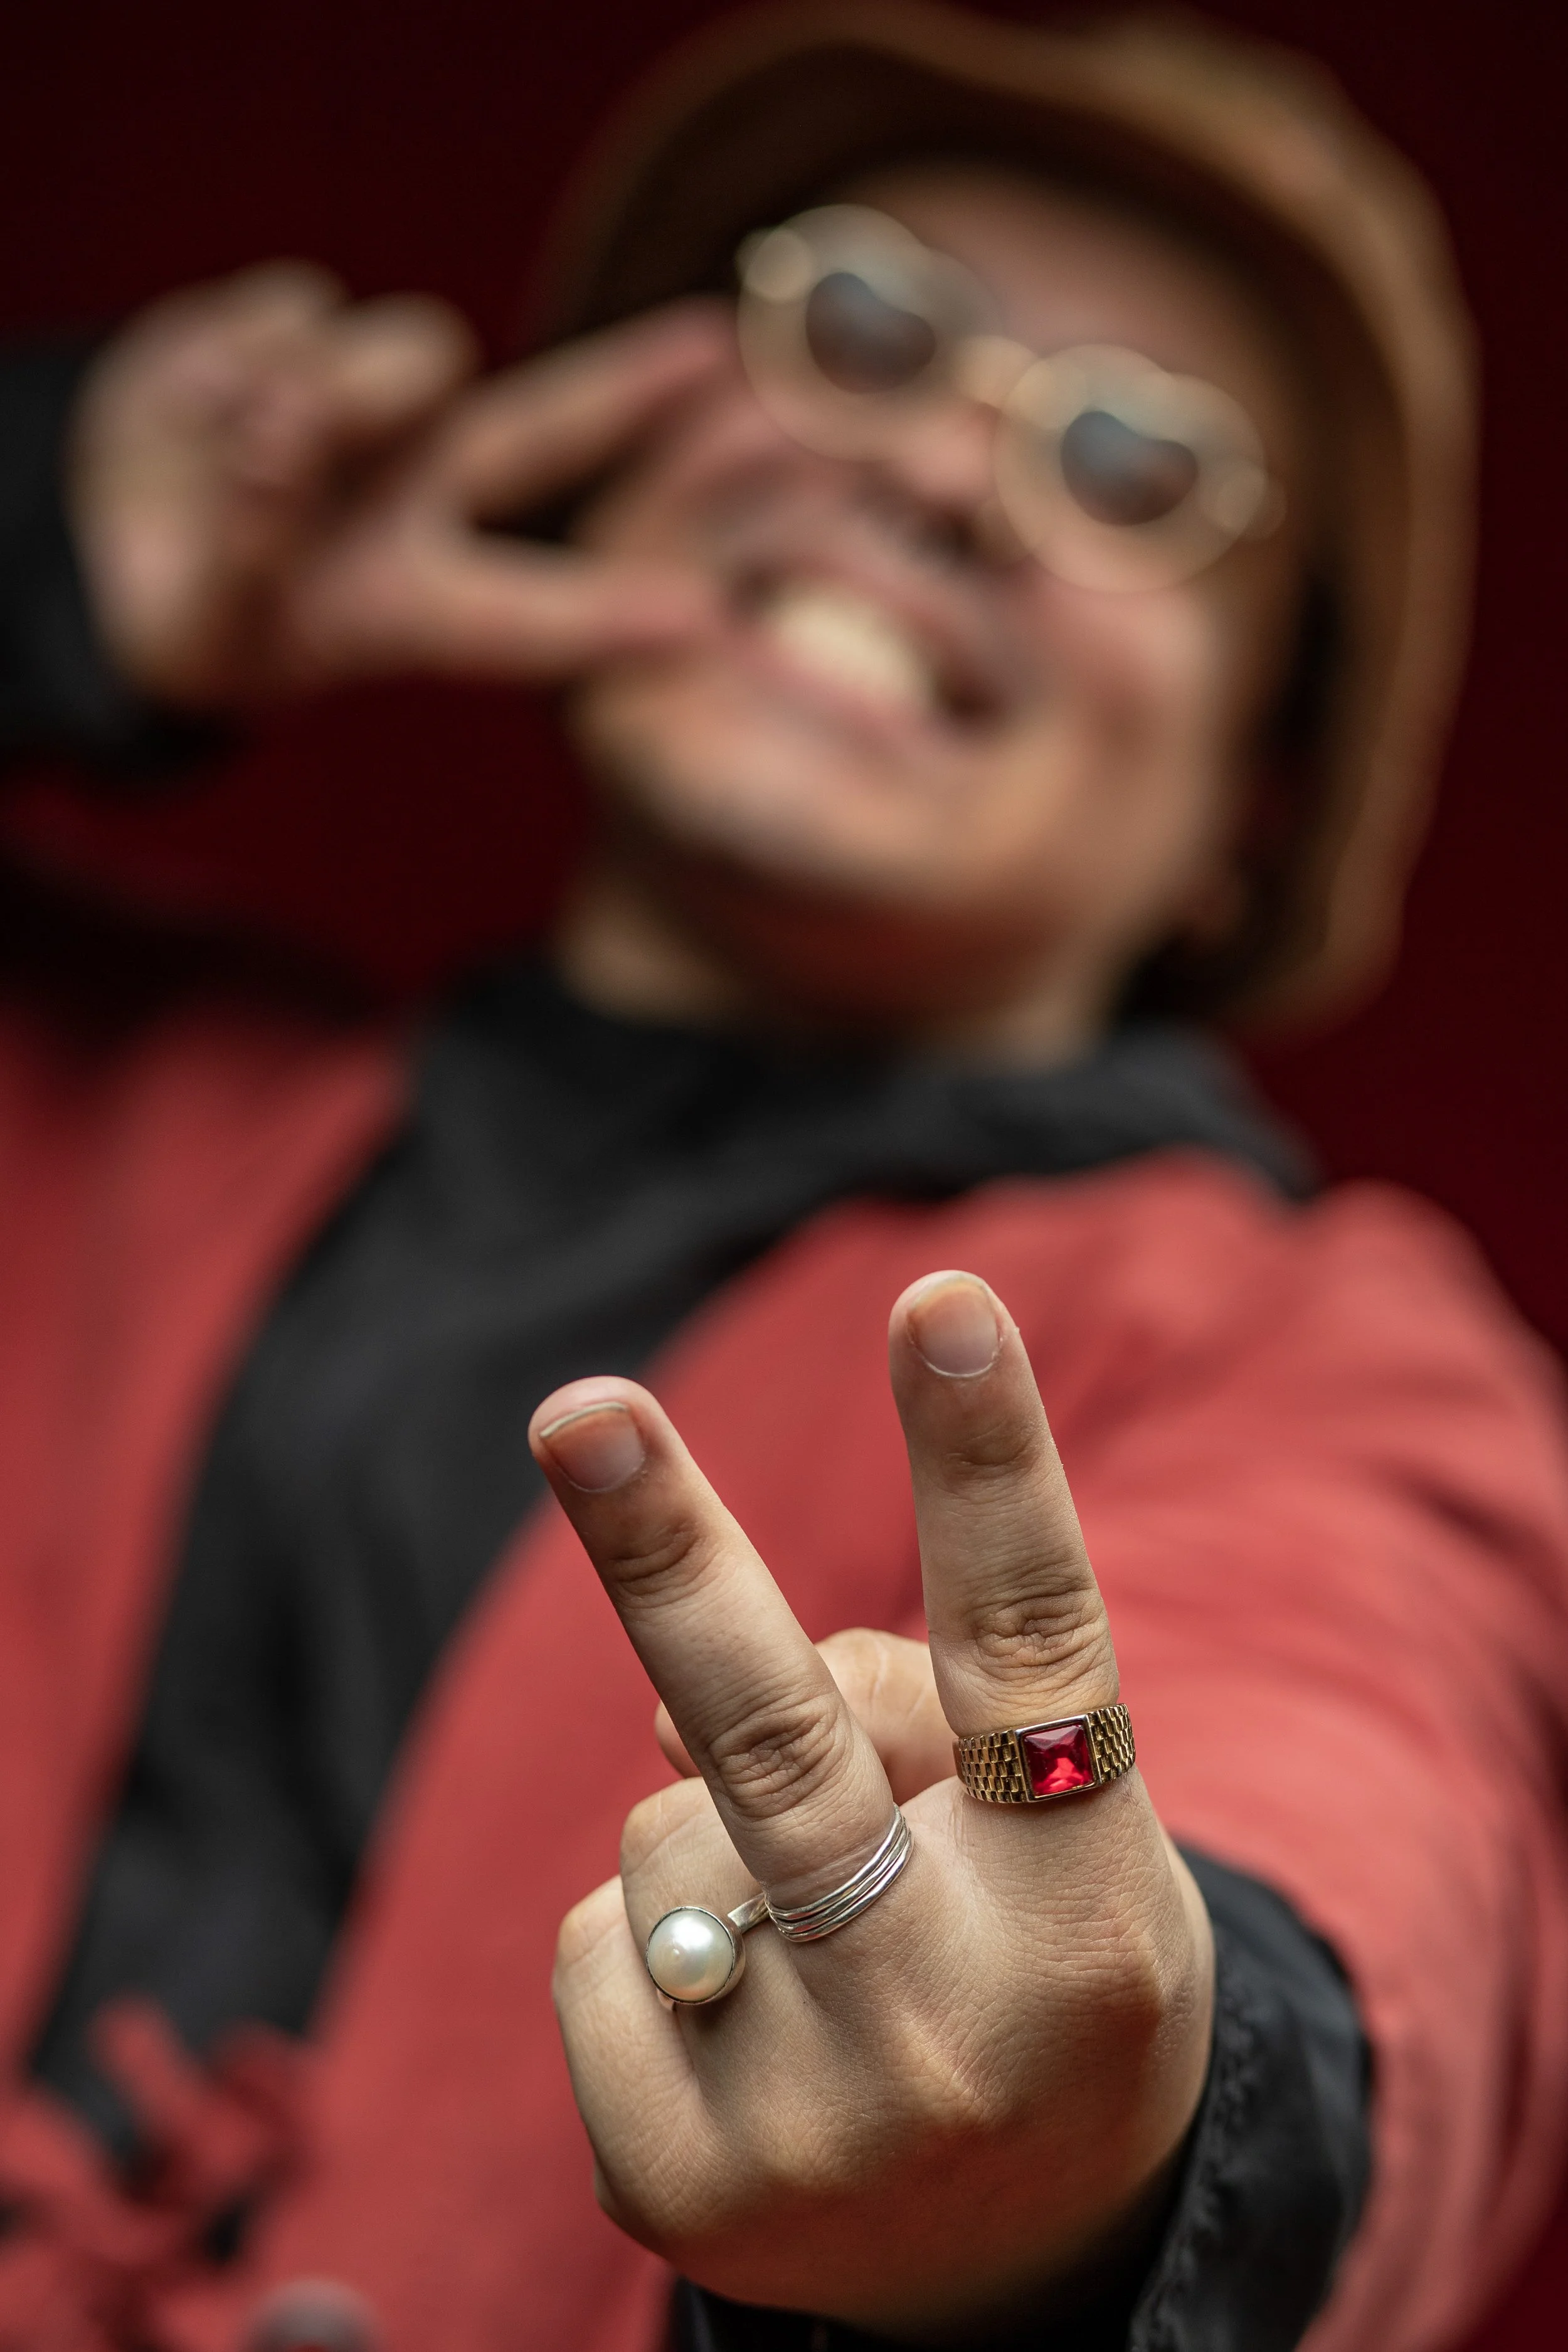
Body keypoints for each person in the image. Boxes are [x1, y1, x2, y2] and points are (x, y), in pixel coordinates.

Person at [0, 5, 1565, 2349]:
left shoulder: (1318, 1353)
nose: (944, 474)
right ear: (615, 447)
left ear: (1257, 792)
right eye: (861, 322)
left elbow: (1366, 1778)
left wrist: (1107, 2113)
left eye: (1135, 463)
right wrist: (41, 547)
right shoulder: (94, 1070)